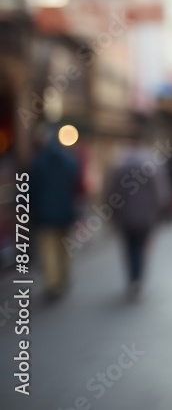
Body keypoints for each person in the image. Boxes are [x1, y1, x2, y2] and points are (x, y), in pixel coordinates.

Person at [106, 118, 172, 300]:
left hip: (126, 215)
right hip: (146, 215)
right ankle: (138, 279)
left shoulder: (120, 164)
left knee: (129, 248)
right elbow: (161, 192)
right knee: (142, 247)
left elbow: (112, 192)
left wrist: (112, 212)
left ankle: (132, 278)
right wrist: (161, 210)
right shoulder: (151, 163)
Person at [29, 124, 83, 300]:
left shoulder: (38, 160)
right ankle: (63, 278)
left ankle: (53, 284)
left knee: (48, 249)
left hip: (45, 213)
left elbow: (31, 188)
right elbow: (75, 179)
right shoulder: (67, 158)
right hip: (65, 211)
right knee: (63, 247)